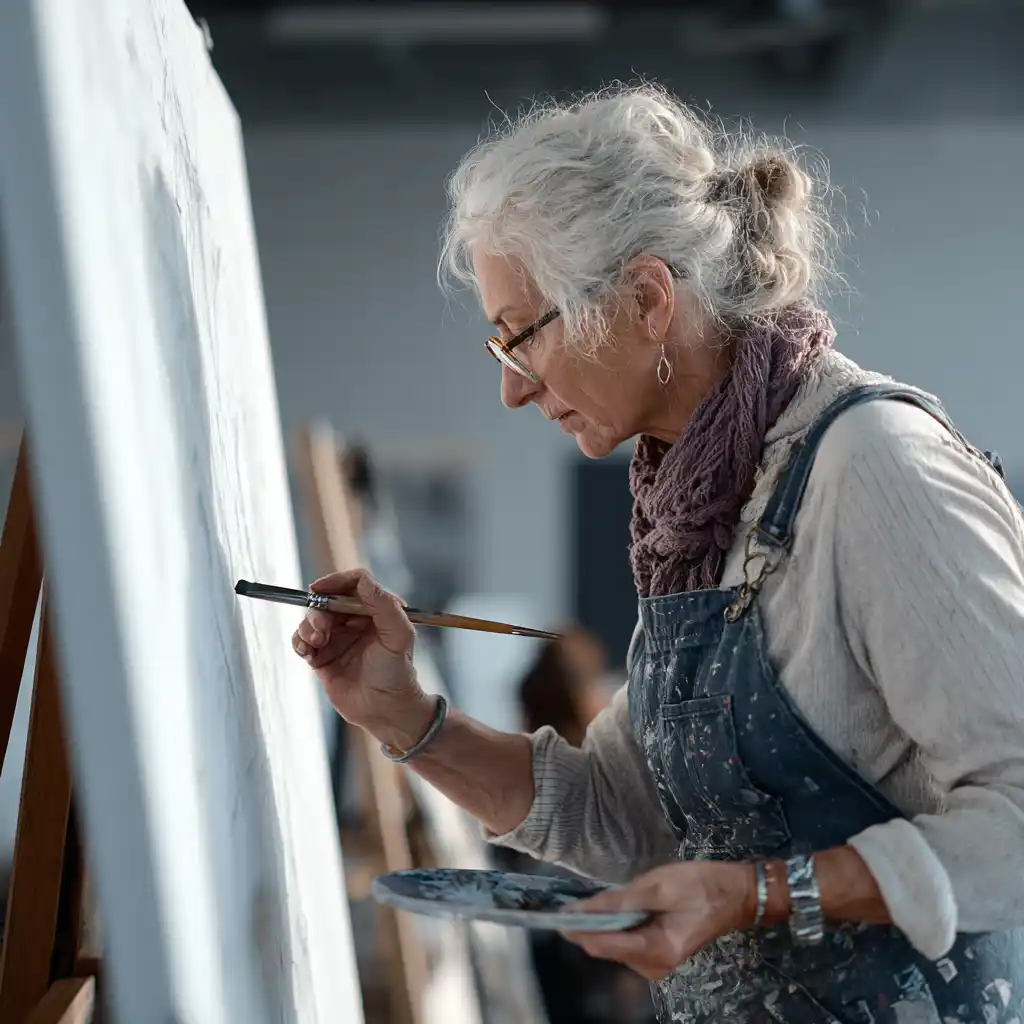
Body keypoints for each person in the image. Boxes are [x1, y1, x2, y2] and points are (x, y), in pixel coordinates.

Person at [291, 84, 1024, 1023]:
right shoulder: (697, 507)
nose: (514, 390)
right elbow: (622, 814)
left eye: (522, 335)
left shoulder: (872, 466)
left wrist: (754, 894)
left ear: (645, 298)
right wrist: (405, 719)